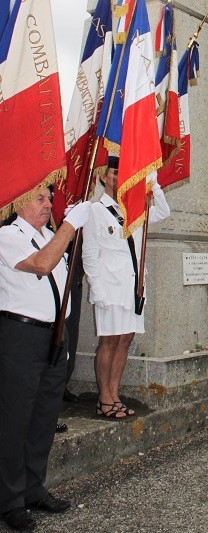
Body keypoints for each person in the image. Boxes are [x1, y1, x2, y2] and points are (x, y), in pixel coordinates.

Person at [0, 188, 91, 531]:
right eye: (39, 198)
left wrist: (67, 228)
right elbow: (41, 263)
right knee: (14, 420)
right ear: (16, 202)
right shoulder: (7, 236)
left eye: (48, 199)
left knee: (44, 416)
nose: (48, 205)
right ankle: (8, 500)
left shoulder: (51, 235)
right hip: (20, 337)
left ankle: (32, 488)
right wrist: (70, 225)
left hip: (55, 335)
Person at [82, 158, 170, 420]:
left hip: (134, 287)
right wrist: (96, 288)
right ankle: (104, 399)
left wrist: (153, 183)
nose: (118, 177)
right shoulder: (96, 211)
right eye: (114, 173)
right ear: (103, 177)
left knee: (125, 340)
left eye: (122, 173)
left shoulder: (135, 207)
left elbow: (164, 212)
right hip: (110, 288)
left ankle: (114, 394)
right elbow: (90, 254)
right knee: (109, 341)